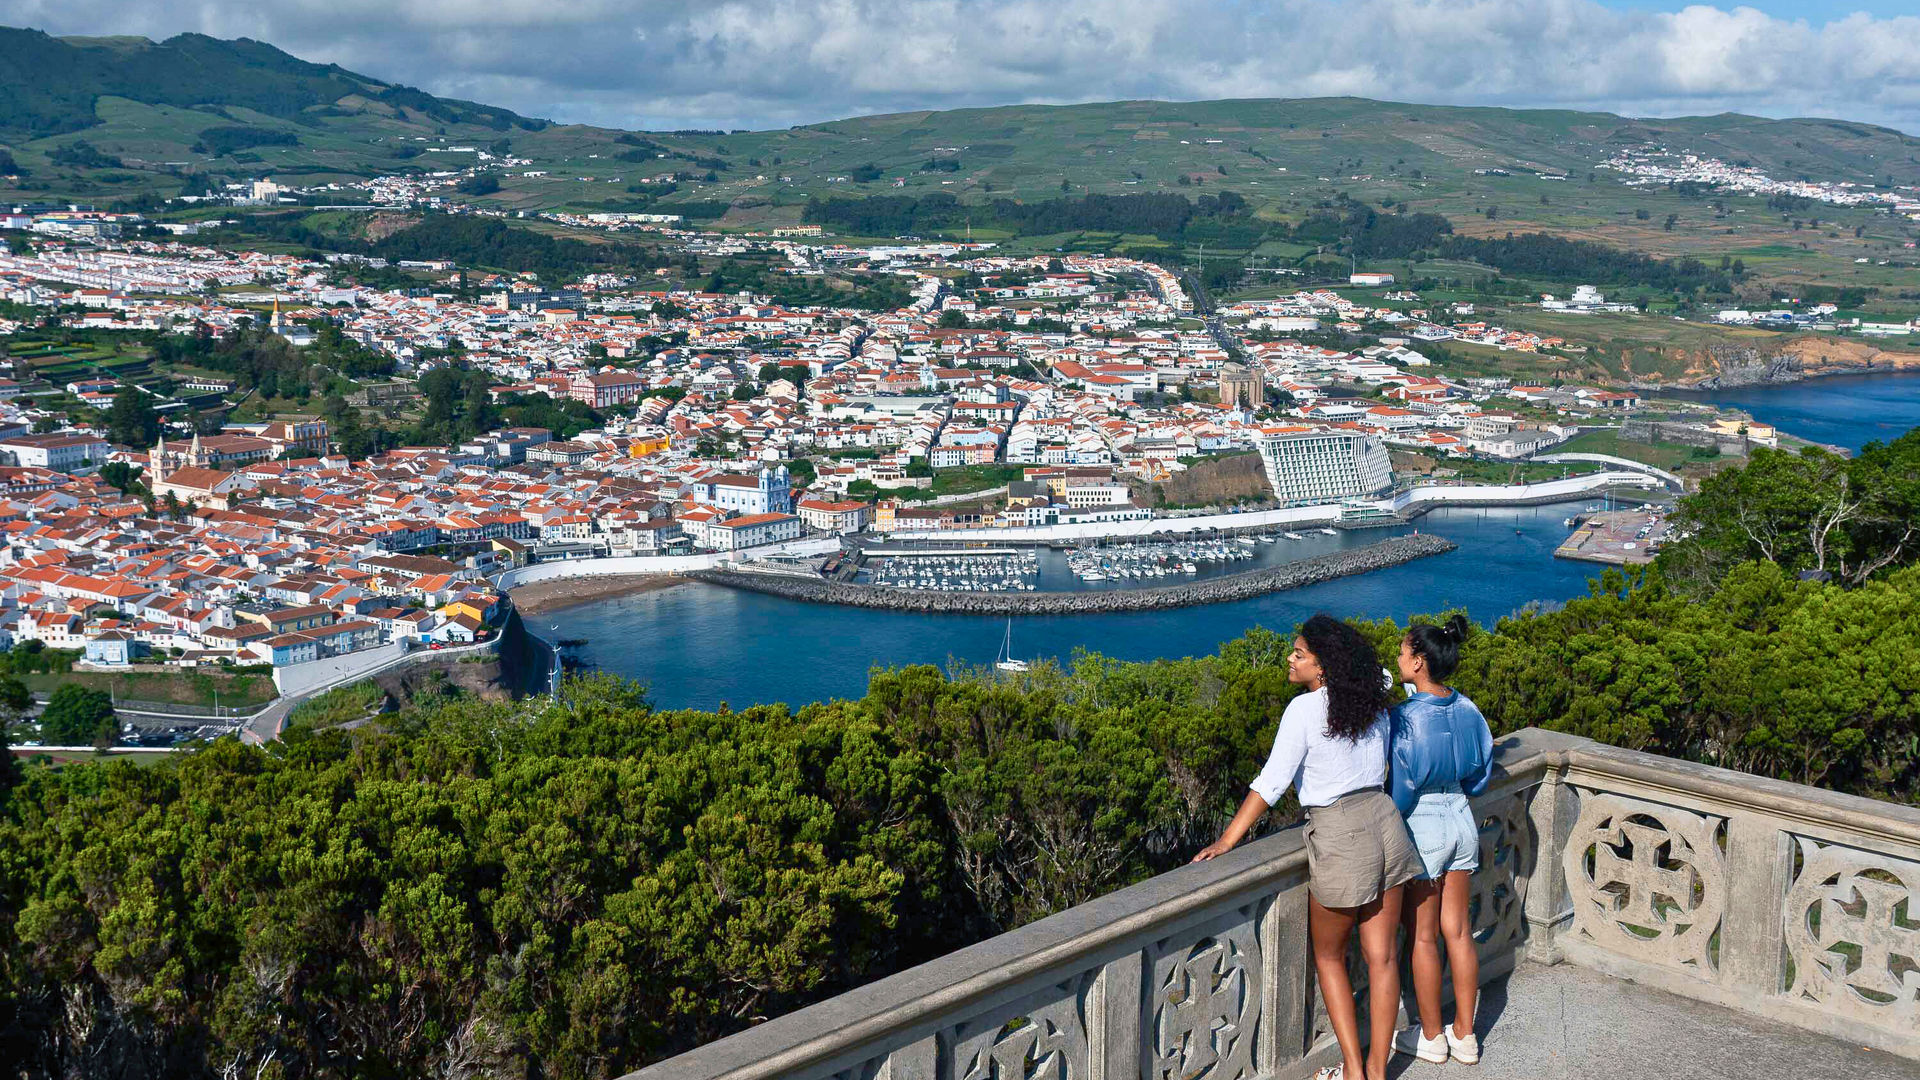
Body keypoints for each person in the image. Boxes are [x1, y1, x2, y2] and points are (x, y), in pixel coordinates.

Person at [1194, 614, 1423, 1080]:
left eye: (1299, 653)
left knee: (1329, 957)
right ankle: (1378, 1071)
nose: (1289, 658)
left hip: (1341, 833)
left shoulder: (1304, 711)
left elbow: (1272, 783)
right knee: (1382, 959)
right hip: (1386, 823)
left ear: (1323, 666)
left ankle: (1355, 1071)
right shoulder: (1369, 696)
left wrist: (1227, 839)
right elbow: (1378, 672)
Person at [1387, 614, 1494, 1067]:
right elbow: (1481, 775)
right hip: (1461, 818)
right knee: (1459, 931)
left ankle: (1431, 1036)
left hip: (1424, 823)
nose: (1397, 656)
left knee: (1424, 937)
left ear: (1418, 662)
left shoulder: (1405, 718)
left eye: (1402, 651)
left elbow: (1401, 789)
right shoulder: (1469, 709)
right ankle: (1466, 1035)